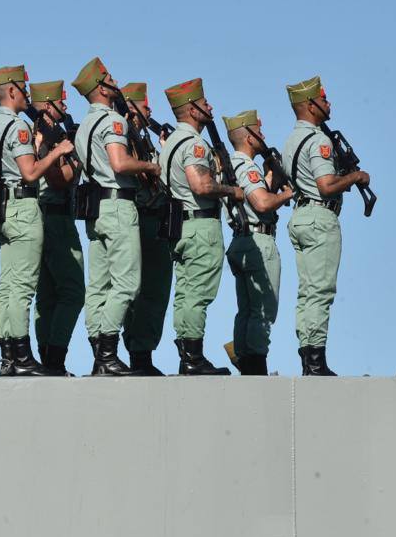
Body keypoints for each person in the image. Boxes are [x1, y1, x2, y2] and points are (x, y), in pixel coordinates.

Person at [0, 65, 74, 376]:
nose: (26, 93)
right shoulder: (19, 128)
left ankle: (9, 352)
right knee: (22, 286)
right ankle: (22, 356)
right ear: (11, 91)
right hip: (22, 207)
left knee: (8, 285)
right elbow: (31, 172)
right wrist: (57, 151)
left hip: (1, 207)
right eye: (22, 88)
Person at [72, 58, 156, 376]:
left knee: (99, 285)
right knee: (127, 282)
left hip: (97, 208)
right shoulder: (114, 122)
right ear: (102, 87)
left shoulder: (83, 126)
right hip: (118, 205)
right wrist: (148, 166)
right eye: (109, 80)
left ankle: (99, 352)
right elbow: (120, 164)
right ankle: (107, 352)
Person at [283, 76, 370, 376]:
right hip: (320, 217)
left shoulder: (291, 140)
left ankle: (308, 356)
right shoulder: (319, 141)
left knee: (307, 292)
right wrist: (356, 178)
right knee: (321, 291)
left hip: (300, 216)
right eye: (323, 98)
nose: (328, 102)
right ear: (310, 105)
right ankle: (316, 362)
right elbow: (326, 184)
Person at [159, 78, 238, 375]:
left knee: (185, 293)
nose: (210, 108)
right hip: (200, 226)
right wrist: (233, 192)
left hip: (181, 225)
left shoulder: (171, 144)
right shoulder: (193, 144)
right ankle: (193, 358)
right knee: (198, 294)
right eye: (204, 104)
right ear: (191, 109)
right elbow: (202, 185)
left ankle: (187, 354)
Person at [223, 111, 294, 375]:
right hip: (258, 241)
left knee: (246, 310)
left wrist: (270, 183)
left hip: (241, 239)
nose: (263, 135)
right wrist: (288, 194)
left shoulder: (232, 165)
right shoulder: (246, 165)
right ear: (249, 137)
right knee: (262, 311)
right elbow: (262, 202)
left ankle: (246, 361)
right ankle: (256, 366)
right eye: (259, 131)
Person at [29, 80, 84, 376]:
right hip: (56, 218)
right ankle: (55, 358)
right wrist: (76, 160)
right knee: (73, 291)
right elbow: (58, 179)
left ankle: (48, 357)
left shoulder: (40, 135)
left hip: (44, 217)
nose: (65, 106)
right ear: (49, 104)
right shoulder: (46, 138)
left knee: (48, 295)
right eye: (60, 102)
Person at [119, 83, 174, 376]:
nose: (150, 111)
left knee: (151, 289)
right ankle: (139, 353)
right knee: (149, 289)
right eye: (145, 105)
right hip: (143, 216)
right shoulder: (125, 137)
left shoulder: (140, 138)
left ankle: (141, 351)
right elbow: (145, 174)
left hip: (150, 216)